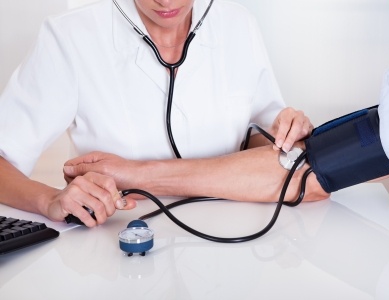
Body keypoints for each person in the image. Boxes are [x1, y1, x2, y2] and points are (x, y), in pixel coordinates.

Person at [0, 0, 320, 227]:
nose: (165, 0)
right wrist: (49, 200)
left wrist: (288, 126)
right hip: (116, 242)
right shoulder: (70, 35)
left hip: (242, 237)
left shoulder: (238, 23)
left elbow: (273, 145)